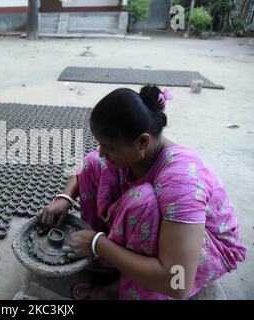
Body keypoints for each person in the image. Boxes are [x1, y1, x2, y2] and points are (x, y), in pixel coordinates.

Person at [39, 85, 246, 300]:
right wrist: (65, 197)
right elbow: (85, 163)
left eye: (109, 147)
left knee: (142, 202)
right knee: (95, 163)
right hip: (163, 225)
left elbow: (178, 281)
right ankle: (113, 260)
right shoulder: (140, 152)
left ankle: (121, 286)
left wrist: (97, 244)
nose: (102, 152)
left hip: (203, 247)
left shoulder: (180, 182)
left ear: (143, 141)